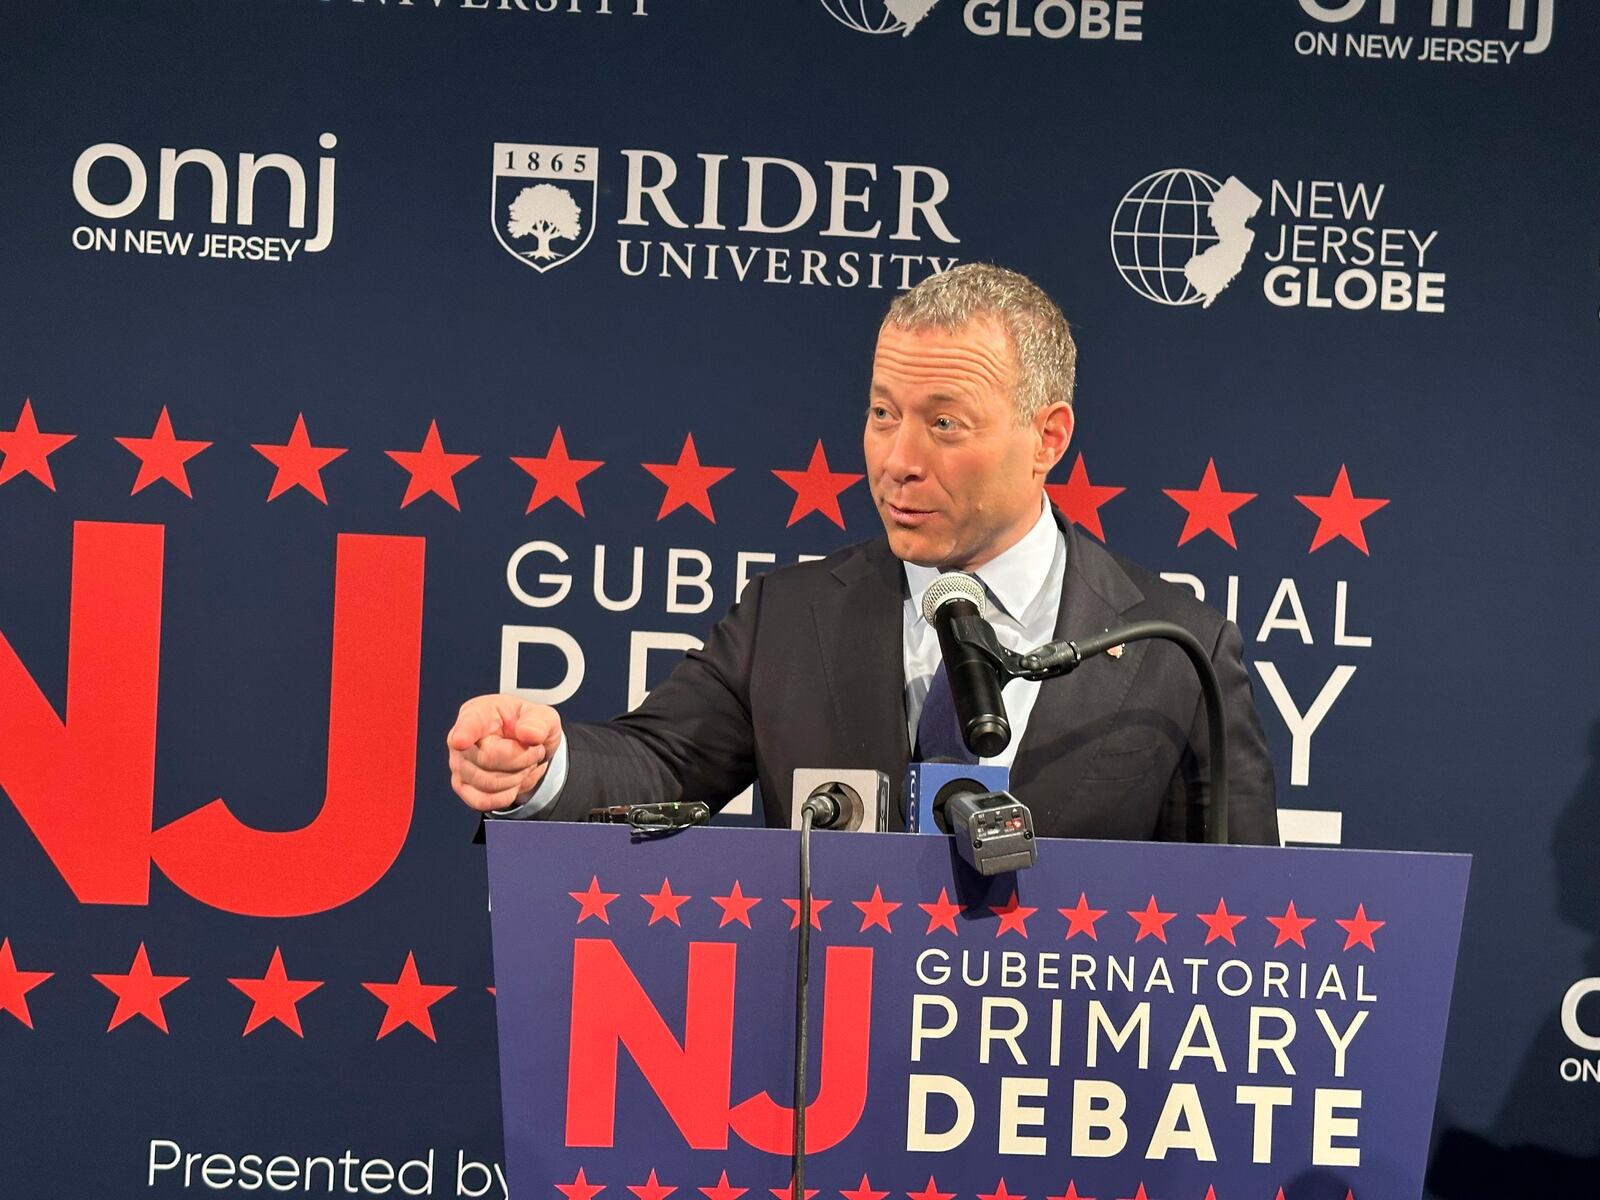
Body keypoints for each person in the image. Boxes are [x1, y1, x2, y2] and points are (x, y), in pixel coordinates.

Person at [447, 264, 1278, 843]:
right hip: (832, 1068)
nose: (897, 459)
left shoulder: (1175, 648)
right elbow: (660, 763)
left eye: (944, 423)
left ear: (1047, 437)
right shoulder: (788, 617)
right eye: (883, 413)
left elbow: (1235, 914)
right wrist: (543, 768)